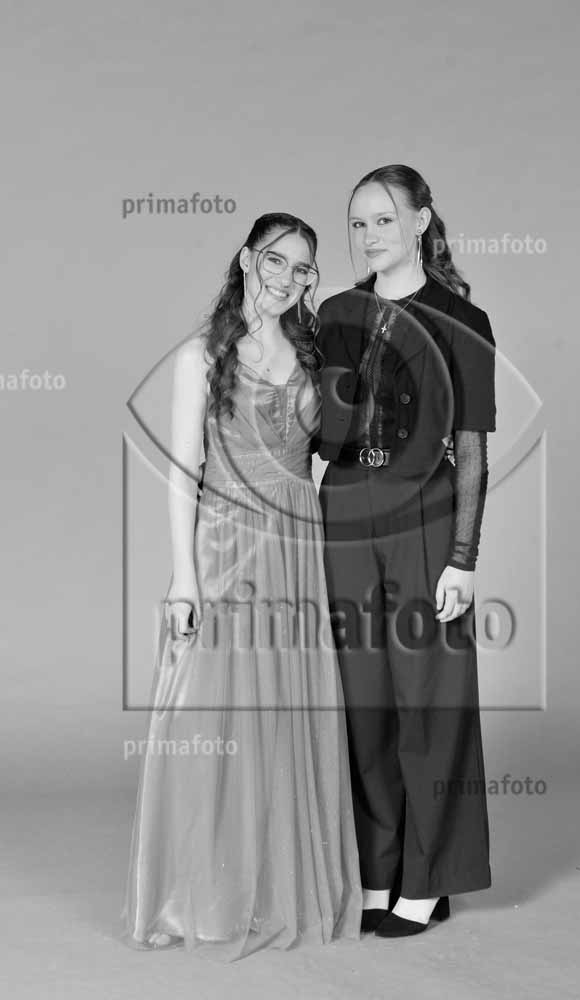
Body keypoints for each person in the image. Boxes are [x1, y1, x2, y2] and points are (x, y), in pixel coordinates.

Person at [121, 213, 362, 960]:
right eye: (274, 260)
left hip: (298, 542)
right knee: (216, 715)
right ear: (246, 259)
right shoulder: (202, 355)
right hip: (228, 542)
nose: (286, 277)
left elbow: (339, 442)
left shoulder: (312, 350)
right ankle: (206, 891)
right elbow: (182, 472)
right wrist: (184, 579)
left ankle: (274, 886)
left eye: (302, 267)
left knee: (286, 713)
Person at [315, 165, 496, 937]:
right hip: (345, 507)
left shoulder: (462, 318)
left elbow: (472, 447)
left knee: (429, 696)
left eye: (384, 219)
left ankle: (430, 875)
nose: (368, 235)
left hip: (424, 508)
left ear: (421, 220)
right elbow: (314, 423)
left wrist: (464, 555)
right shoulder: (335, 313)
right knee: (364, 700)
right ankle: (377, 867)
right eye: (358, 223)